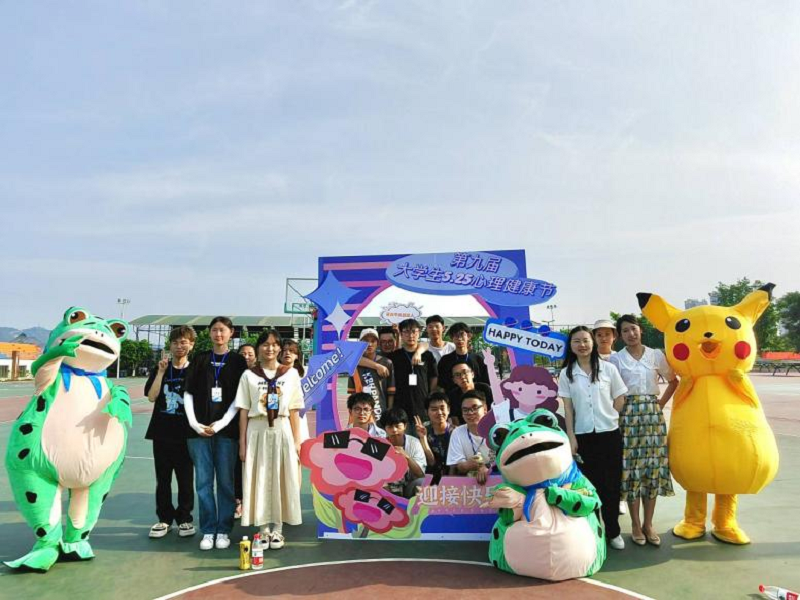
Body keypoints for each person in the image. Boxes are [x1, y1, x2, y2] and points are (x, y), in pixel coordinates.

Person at [609, 314, 679, 547]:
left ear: (640, 330)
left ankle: (649, 524)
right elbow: (611, 390)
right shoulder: (616, 360)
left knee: (652, 469)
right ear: (620, 336)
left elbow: (673, 381)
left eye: (633, 329)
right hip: (627, 417)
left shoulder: (656, 355)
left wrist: (659, 404)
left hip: (652, 417)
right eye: (625, 331)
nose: (631, 334)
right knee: (632, 471)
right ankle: (635, 525)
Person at [558, 326, 628, 550]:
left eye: (586, 340)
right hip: (583, 437)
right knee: (588, 487)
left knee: (611, 485)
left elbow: (620, 397)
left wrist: (611, 414)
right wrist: (571, 437)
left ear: (593, 342)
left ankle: (613, 532)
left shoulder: (608, 369)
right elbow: (568, 409)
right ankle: (594, 531)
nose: (582, 345)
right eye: (576, 341)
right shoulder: (566, 373)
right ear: (571, 346)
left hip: (609, 435)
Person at [235, 329, 304, 550]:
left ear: (280, 348)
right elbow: (243, 411)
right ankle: (263, 528)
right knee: (260, 476)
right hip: (257, 429)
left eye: (274, 344)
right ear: (258, 348)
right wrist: (242, 443)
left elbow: (294, 410)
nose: (270, 348)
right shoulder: (249, 375)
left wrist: (297, 441)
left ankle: (278, 529)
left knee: (282, 477)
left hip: (282, 428)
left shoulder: (290, 375)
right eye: (265, 344)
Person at [184, 317, 247, 551]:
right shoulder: (200, 359)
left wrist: (220, 424)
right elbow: (188, 392)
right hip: (198, 432)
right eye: (214, 330)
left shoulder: (238, 361)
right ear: (209, 333)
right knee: (203, 482)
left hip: (226, 432)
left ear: (231, 333)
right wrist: (194, 424)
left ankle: (224, 529)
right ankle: (208, 530)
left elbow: (240, 398)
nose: (218, 334)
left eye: (222, 330)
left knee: (225, 482)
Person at [145, 326, 197, 539]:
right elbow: (151, 396)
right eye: (175, 342)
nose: (179, 346)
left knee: (186, 480)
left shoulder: (195, 370)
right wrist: (160, 373)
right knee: (163, 479)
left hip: (186, 434)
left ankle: (185, 518)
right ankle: (164, 519)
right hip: (162, 433)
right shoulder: (161, 369)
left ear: (191, 345)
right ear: (170, 346)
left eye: (184, 342)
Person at [593, 318, 627, 517]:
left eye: (607, 334)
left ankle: (619, 498)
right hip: (595, 419)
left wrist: (614, 414)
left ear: (614, 337)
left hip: (618, 416)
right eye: (599, 334)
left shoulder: (619, 358)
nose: (603, 338)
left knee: (618, 459)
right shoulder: (588, 358)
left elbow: (621, 391)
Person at [388, 319, 437, 423]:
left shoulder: (427, 355)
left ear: (419, 333)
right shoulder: (394, 356)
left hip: (422, 406)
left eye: (414, 331)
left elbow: (434, 376)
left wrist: (430, 394)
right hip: (400, 406)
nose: (410, 335)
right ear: (401, 334)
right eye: (406, 332)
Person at [348, 328, 395, 421]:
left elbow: (391, 391)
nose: (369, 344)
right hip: (361, 414)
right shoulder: (354, 364)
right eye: (365, 341)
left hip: (380, 412)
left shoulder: (387, 363)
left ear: (377, 343)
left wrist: (389, 410)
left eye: (373, 341)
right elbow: (352, 392)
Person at [446, 390, 492, 485]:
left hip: (497, 480)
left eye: (475, 408)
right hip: (469, 484)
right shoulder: (457, 432)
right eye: (465, 410)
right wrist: (468, 465)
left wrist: (488, 469)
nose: (470, 413)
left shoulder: (496, 430)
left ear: (485, 409)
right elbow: (458, 465)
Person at [380, 407, 426, 498]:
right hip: (388, 490)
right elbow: (378, 478)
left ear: (405, 426)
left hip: (409, 487)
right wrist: (390, 498)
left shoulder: (414, 443)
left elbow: (421, 474)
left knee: (422, 482)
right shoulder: (380, 445)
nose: (394, 430)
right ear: (385, 428)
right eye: (390, 427)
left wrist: (406, 456)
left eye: (397, 426)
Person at [437, 322, 489, 394]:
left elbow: (486, 382)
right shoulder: (445, 360)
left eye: (462, 334)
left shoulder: (478, 360)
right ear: (451, 338)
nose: (459, 339)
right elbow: (441, 385)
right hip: (453, 398)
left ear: (469, 336)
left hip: (475, 397)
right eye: (456, 336)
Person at [414, 391, 452, 482]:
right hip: (430, 477)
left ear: (448, 410)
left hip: (453, 477)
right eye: (434, 409)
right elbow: (431, 462)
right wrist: (423, 438)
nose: (439, 412)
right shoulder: (423, 429)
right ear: (427, 412)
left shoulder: (455, 432)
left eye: (442, 408)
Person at [280, 338, 310, 444]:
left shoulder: (305, 374)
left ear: (297, 355)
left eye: (291, 351)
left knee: (300, 444)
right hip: (282, 417)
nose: (287, 353)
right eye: (284, 350)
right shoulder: (273, 374)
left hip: (299, 415)